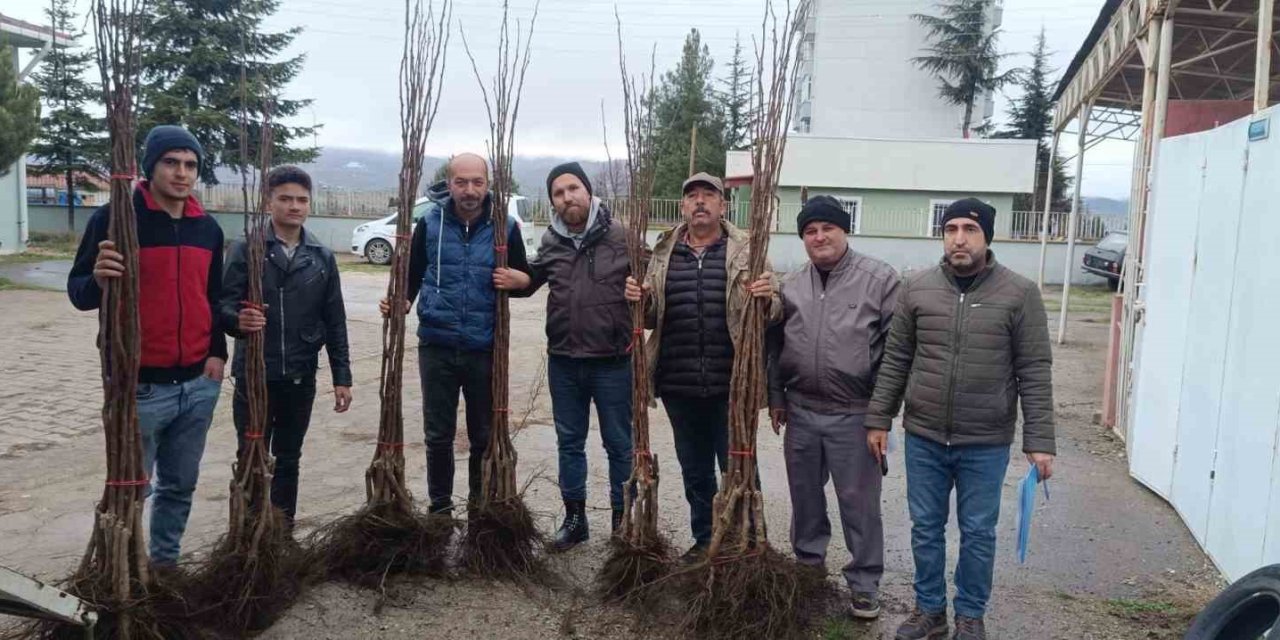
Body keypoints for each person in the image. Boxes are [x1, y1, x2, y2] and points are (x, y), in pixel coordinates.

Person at [866, 198, 1056, 640]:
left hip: (985, 441)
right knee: (925, 528)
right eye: (950, 229)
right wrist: (879, 418)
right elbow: (896, 359)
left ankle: (970, 614)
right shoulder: (917, 288)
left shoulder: (1019, 293)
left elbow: (1034, 368)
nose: (959, 239)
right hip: (925, 436)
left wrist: (1040, 440)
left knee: (978, 531)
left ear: (987, 236)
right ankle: (929, 611)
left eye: (970, 229)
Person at [67, 125, 227, 570]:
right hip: (140, 386)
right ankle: (126, 570)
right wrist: (98, 279)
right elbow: (78, 293)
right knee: (132, 487)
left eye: (190, 164)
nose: (181, 173)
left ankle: (164, 568)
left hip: (197, 384)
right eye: (171, 162)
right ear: (150, 167)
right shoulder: (115, 220)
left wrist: (217, 353)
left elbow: (213, 298)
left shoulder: (207, 229)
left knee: (180, 485)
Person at [624, 172, 778, 562]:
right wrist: (639, 300)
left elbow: (776, 309)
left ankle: (745, 542)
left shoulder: (746, 250)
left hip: (732, 384)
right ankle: (705, 539)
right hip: (678, 383)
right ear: (682, 207)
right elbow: (651, 316)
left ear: (722, 205)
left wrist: (767, 298)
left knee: (738, 465)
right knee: (695, 470)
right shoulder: (663, 252)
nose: (699, 201)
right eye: (692, 195)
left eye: (708, 195)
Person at [766, 196, 900, 619]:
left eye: (828, 228)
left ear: (845, 230)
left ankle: (864, 583)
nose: (819, 237)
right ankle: (809, 569)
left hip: (855, 413)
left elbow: (896, 354)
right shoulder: (791, 284)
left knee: (859, 502)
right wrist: (776, 397)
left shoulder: (879, 280)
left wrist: (880, 416)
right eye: (810, 231)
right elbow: (775, 345)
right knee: (805, 497)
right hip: (802, 410)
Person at [497, 162, 640, 550]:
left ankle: (622, 520)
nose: (567, 197)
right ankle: (575, 520)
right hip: (564, 360)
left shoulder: (622, 236)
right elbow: (535, 279)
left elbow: (653, 279)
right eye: (558, 193)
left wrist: (644, 292)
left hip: (612, 360)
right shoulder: (551, 241)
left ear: (588, 192)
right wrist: (518, 281)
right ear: (553, 202)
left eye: (573, 188)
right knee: (570, 443)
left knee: (619, 444)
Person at [379, 153, 531, 515]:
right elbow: (413, 276)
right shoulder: (429, 223)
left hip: (484, 346)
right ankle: (440, 510)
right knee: (438, 435)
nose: (469, 190)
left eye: (477, 182)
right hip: (437, 344)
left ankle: (479, 509)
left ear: (488, 185)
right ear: (449, 184)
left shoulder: (505, 227)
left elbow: (525, 279)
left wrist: (519, 280)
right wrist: (401, 301)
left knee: (483, 436)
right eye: (461, 182)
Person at [219, 165, 353, 531]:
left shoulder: (321, 257)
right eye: (285, 199)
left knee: (289, 457)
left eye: (302, 200)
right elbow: (222, 305)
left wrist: (342, 376)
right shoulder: (247, 249)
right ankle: (249, 533)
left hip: (299, 374)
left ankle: (282, 533)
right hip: (254, 374)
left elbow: (335, 320)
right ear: (269, 202)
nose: (294, 206)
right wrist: (238, 320)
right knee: (251, 454)